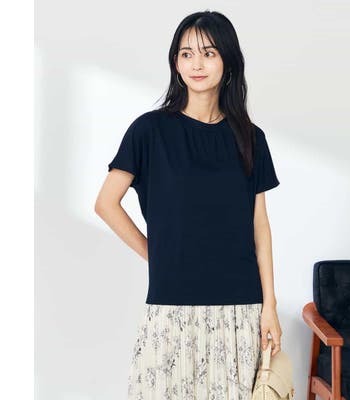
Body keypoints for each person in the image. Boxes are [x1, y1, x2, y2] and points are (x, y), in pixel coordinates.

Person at [95, 10, 283, 400]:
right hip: (171, 306)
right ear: (176, 63)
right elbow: (106, 203)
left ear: (228, 61)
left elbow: (260, 227)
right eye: (186, 53)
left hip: (240, 308)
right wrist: (154, 253)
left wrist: (270, 306)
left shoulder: (251, 138)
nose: (196, 64)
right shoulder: (149, 131)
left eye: (208, 53)